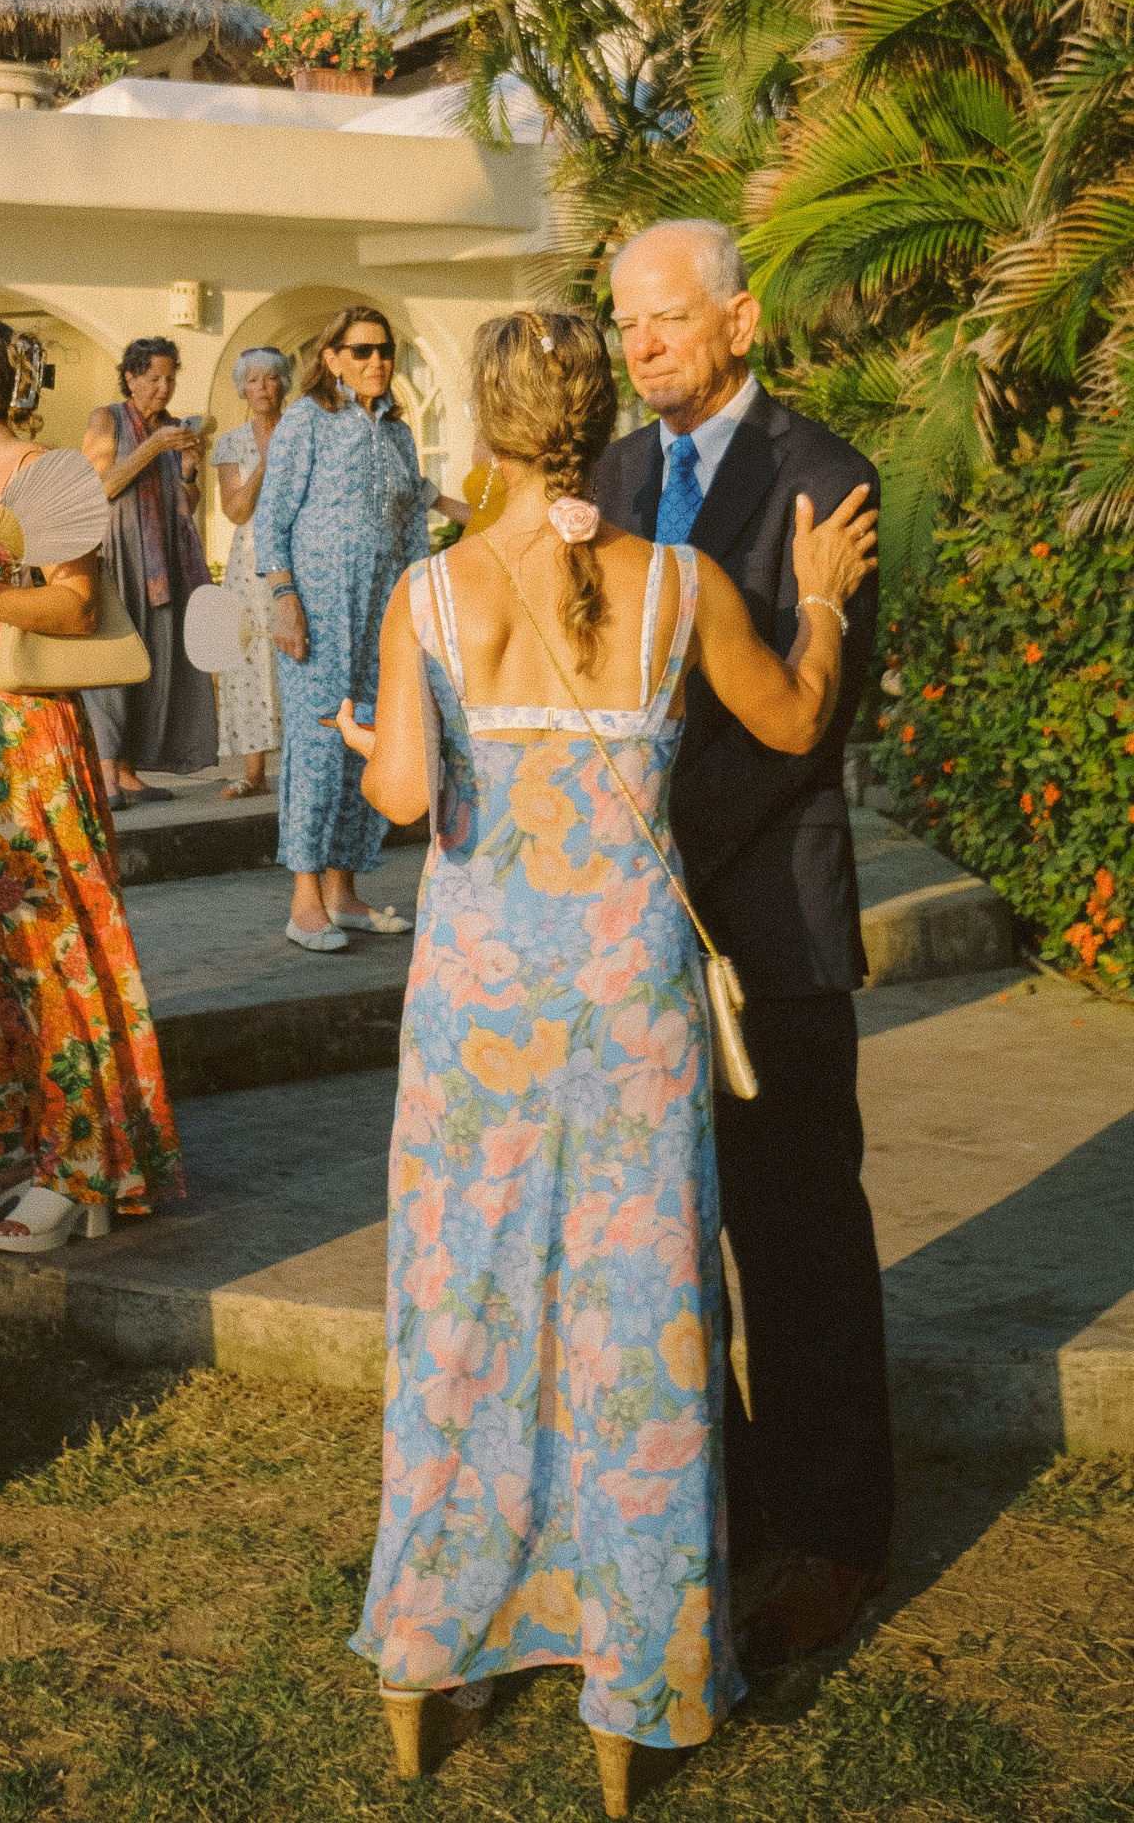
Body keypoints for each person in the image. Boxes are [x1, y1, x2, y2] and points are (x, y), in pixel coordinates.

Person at [341, 309, 877, 1808]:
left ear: (487, 428)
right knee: (639, 1324)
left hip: (479, 1006)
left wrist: (369, 730)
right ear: (589, 423)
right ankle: (628, 1684)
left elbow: (398, 792)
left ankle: (430, 1652)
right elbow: (792, 720)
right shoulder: (679, 583)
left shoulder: (430, 594)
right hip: (629, 1001)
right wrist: (821, 602)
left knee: (468, 1312)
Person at [593, 218, 891, 1670]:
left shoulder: (825, 481)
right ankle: (712, 1505)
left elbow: (801, 729)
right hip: (636, 936)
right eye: (622, 324)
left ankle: (831, 1538)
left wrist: (633, 833)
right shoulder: (618, 477)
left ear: (739, 320)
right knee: (669, 1238)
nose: (638, 345)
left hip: (766, 920)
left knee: (800, 1236)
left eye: (662, 320)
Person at [0, 316, 185, 1252]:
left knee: (54, 940)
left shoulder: (50, 475)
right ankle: (2, 1146)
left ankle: (81, 1162)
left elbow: (75, 606)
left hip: (27, 725)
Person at [256, 307, 453, 952]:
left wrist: (420, 605)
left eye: (385, 352)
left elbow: (409, 523)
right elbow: (274, 515)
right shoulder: (306, 420)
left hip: (382, 607)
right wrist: (283, 595)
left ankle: (343, 891)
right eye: (362, 352)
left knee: (368, 733)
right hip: (318, 605)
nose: (376, 363)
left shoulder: (396, 433)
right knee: (317, 741)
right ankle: (305, 898)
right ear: (333, 358)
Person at [82, 335, 219, 807]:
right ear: (130, 377)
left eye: (170, 378)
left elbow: (188, 508)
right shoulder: (108, 419)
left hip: (164, 562)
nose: (164, 388)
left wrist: (187, 470)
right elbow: (100, 486)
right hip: (118, 554)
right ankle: (106, 773)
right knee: (114, 662)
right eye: (154, 378)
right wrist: (152, 447)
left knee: (154, 665)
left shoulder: (175, 428)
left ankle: (130, 770)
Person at [212, 346, 291, 800]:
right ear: (242, 388)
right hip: (250, 562)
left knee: (294, 653)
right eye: (254, 380)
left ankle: (303, 764)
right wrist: (266, 461)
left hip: (299, 553)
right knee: (249, 658)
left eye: (272, 378)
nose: (264, 388)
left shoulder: (304, 432)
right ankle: (254, 771)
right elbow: (237, 510)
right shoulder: (231, 444)